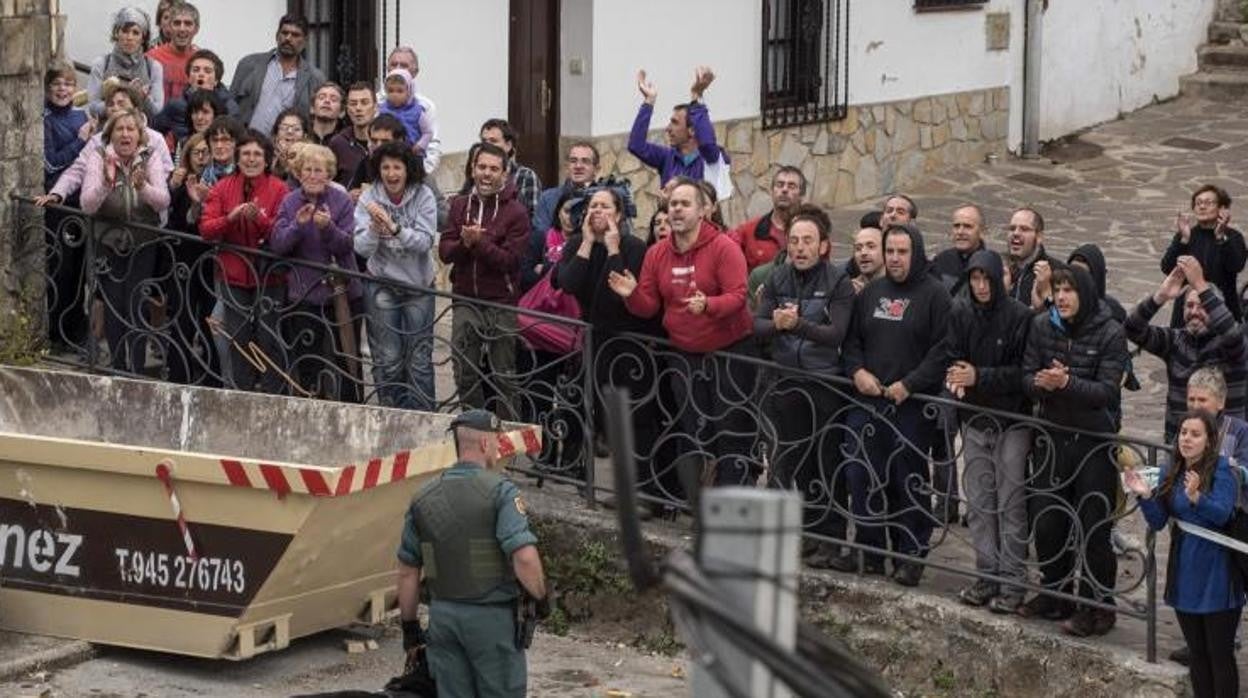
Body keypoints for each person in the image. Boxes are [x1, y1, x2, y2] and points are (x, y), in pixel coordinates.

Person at [607, 176, 754, 487]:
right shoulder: (657, 253)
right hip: (684, 354)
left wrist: (709, 305)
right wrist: (631, 293)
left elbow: (739, 296)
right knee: (693, 428)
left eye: (685, 204)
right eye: (672, 203)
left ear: (703, 211)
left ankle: (731, 498)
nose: (676, 210)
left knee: (730, 429)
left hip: (728, 351)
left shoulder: (724, 247)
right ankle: (696, 501)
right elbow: (647, 307)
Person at [396, 408, 547, 698]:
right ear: (485, 444)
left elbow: (407, 570)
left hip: (443, 619)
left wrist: (410, 627)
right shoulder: (501, 492)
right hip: (491, 621)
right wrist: (541, 597)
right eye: (496, 440)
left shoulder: (423, 496)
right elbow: (524, 557)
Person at [841, 222, 951, 586]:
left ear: (915, 253)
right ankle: (870, 551)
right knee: (862, 474)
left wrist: (911, 384)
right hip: (869, 401)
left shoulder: (935, 294)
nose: (894, 258)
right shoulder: (871, 293)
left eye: (902, 252)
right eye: (890, 251)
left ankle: (910, 554)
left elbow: (943, 350)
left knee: (908, 480)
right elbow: (852, 340)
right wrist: (857, 371)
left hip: (911, 405)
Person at [1019, 265, 1127, 636]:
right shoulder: (1041, 326)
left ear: (1085, 294)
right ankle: (1055, 593)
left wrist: (1067, 382)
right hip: (1054, 438)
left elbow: (1107, 393)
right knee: (1048, 522)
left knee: (1093, 528)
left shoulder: (1110, 331)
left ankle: (1097, 605)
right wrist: (1042, 383)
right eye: (1057, 289)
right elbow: (1025, 376)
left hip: (1094, 443)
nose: (1061, 297)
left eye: (1069, 290)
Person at [753, 204, 855, 570]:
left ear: (823, 246)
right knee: (789, 464)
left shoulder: (838, 282)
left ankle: (828, 539)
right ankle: (799, 536)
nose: (799, 248)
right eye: (794, 241)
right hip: (784, 381)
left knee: (825, 464)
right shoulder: (779, 277)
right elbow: (758, 326)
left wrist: (794, 325)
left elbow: (836, 334)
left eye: (807, 241)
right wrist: (778, 325)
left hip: (823, 383)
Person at [1125, 410, 1243, 698]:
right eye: (1183, 433)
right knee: (1197, 654)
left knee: (1220, 654)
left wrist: (1197, 498)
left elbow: (1224, 513)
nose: (1187, 439)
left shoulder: (1222, 469)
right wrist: (1144, 495)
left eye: (1195, 434)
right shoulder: (1171, 471)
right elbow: (1158, 521)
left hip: (1218, 574)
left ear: (1209, 440)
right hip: (1185, 572)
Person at [944, 249, 1033, 612]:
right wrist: (957, 377)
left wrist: (979, 376)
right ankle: (986, 576)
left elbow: (1022, 374)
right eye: (975, 279)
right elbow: (952, 354)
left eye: (986, 279)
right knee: (980, 504)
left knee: (1011, 505)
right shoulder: (962, 313)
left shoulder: (1020, 318)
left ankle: (1012, 584)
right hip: (976, 419)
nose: (981, 286)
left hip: (1012, 421)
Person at [439, 142, 531, 417]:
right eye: (481, 167)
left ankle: (510, 436)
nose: (486, 174)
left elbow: (511, 261)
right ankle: (475, 427)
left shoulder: (516, 212)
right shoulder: (458, 205)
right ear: (472, 169)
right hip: (466, 298)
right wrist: (465, 245)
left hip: (501, 301)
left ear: (505, 174)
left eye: (493, 169)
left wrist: (479, 243)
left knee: (504, 373)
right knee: (463, 367)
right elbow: (445, 252)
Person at [79, 107, 171, 374]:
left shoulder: (150, 156)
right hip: (107, 241)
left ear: (139, 135)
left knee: (137, 303)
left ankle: (138, 367)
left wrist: (143, 187)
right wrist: (106, 184)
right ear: (110, 134)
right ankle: (119, 365)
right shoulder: (99, 156)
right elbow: (87, 204)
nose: (125, 134)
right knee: (114, 305)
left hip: (143, 241)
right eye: (120, 129)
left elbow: (163, 201)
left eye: (131, 129)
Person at [198, 129, 290, 393]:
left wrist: (259, 219)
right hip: (233, 273)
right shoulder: (222, 187)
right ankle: (242, 391)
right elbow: (206, 229)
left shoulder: (279, 188)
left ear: (267, 159)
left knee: (268, 335)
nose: (251, 159)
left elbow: (282, 232)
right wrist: (231, 218)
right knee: (237, 336)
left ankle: (273, 393)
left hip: (269, 275)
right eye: (246, 154)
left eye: (257, 154)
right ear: (238, 158)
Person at [271, 144, 363, 402]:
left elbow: (347, 244)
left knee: (348, 359)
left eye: (319, 170)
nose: (313, 175)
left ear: (329, 175)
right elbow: (278, 244)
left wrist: (328, 228)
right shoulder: (290, 202)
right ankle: (310, 407)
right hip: (305, 294)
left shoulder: (341, 200)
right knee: (308, 360)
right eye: (307, 170)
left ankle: (352, 409)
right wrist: (298, 227)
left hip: (342, 292)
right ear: (299, 173)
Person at [354, 141, 438, 411]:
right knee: (387, 358)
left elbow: (425, 241)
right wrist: (374, 231)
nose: (391, 173)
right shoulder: (369, 198)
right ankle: (391, 415)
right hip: (382, 283)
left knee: (419, 359)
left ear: (407, 170)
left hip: (418, 285)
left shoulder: (424, 195)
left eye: (397, 167)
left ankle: (424, 420)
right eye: (386, 167)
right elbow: (361, 249)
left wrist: (394, 227)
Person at [1126, 256, 1247, 443]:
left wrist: (1200, 284)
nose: (1194, 311)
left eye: (1203, 306)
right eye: (1189, 306)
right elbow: (1132, 329)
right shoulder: (1175, 341)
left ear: (1216, 310)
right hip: (1179, 447)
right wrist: (1161, 295)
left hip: (1224, 449)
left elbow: (1233, 335)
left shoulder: (1230, 347)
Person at [41, 82, 174, 211]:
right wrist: (58, 193)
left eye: (121, 103)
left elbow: (166, 174)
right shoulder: (97, 141)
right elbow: (77, 170)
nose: (114, 108)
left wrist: (142, 186)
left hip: (147, 219)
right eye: (110, 104)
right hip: (106, 219)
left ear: (136, 109)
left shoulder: (155, 139)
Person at [41, 63, 93, 349]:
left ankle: (77, 329)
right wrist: (80, 141)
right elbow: (51, 165)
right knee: (61, 270)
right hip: (58, 206)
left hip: (82, 207)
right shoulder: (46, 120)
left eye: (68, 84)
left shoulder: (81, 115)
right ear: (48, 89)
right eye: (57, 85)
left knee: (82, 272)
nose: (62, 89)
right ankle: (57, 332)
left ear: (75, 88)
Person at [628, 66, 727, 196]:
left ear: (692, 130)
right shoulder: (667, 157)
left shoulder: (711, 157)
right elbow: (636, 145)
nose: (667, 129)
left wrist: (696, 96)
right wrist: (648, 102)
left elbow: (707, 144)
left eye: (675, 123)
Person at [1162, 185, 1246, 326]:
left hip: (1222, 309)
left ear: (1222, 209)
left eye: (1208, 203)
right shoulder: (1186, 235)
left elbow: (1236, 265)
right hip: (1188, 312)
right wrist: (1183, 241)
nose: (1202, 207)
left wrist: (1221, 238)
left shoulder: (1233, 237)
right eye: (1198, 203)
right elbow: (1166, 267)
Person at [231, 14, 327, 136]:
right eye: (284, 33)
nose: (288, 38)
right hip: (248, 146)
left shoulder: (315, 77)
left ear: (305, 41)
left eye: (295, 35)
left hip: (289, 148)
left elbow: (315, 119)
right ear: (277, 36)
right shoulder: (249, 64)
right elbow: (231, 103)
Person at [86, 7, 164, 117]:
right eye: (125, 31)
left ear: (143, 38)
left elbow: (156, 109)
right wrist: (118, 106)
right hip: (107, 130)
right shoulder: (102, 64)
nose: (129, 37)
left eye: (135, 33)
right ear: (117, 33)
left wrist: (143, 97)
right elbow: (92, 106)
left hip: (140, 131)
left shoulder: (153, 67)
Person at [152, 49, 241, 141]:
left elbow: (235, 140)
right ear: (189, 78)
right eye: (196, 70)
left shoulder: (228, 106)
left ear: (216, 80)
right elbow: (153, 134)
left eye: (207, 71)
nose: (201, 74)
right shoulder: (175, 105)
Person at [728, 167, 806, 271]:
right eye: (780, 185)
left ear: (801, 195)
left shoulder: (813, 234)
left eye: (791, 186)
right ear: (772, 192)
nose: (784, 189)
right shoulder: (748, 231)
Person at [384, 46, 442, 173]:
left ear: (415, 72)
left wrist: (421, 172)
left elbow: (432, 143)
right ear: (387, 69)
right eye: (393, 64)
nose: (398, 69)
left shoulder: (424, 106)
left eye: (404, 65)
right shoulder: (378, 103)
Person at [533, 142, 600, 240]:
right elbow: (541, 238)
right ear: (566, 167)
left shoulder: (605, 200)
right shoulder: (548, 199)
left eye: (585, 161)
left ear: (596, 169)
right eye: (573, 161)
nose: (578, 166)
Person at [478, 119, 541, 221]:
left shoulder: (525, 176)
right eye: (484, 141)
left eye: (493, 141)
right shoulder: (478, 173)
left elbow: (531, 219)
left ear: (508, 145)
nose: (487, 146)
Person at [145, 1, 198, 102]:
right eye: (177, 23)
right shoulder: (150, 58)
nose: (182, 29)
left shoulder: (201, 60)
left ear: (196, 29)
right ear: (169, 27)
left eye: (188, 24)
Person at [930, 204, 986, 296]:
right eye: (956, 226)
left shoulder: (992, 264)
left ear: (981, 231)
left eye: (967, 226)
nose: (960, 232)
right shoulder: (941, 260)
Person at [1005, 207, 1053, 310]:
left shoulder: (1055, 272)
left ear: (1039, 236)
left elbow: (1063, 321)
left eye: (1024, 229)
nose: (1016, 233)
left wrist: (1045, 297)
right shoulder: (1000, 268)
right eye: (1012, 228)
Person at [330, 82, 376, 189]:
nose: (358, 108)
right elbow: (327, 185)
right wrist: (346, 196)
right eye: (353, 103)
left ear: (375, 107)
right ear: (347, 109)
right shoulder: (338, 143)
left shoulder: (387, 141)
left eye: (364, 103)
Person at [378, 70, 432, 155]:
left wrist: (419, 146)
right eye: (391, 91)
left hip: (413, 153)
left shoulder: (417, 111)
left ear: (409, 91)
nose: (395, 95)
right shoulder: (382, 110)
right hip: (389, 154)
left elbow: (428, 132)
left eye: (400, 91)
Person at [270, 108, 310, 185]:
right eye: (284, 128)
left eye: (296, 129)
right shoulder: (265, 156)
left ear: (305, 135)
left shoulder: (312, 159)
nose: (290, 132)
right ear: (276, 133)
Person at [849, 225, 885, 294]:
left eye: (871, 247)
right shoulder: (848, 289)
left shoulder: (899, 287)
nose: (863, 253)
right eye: (858, 248)